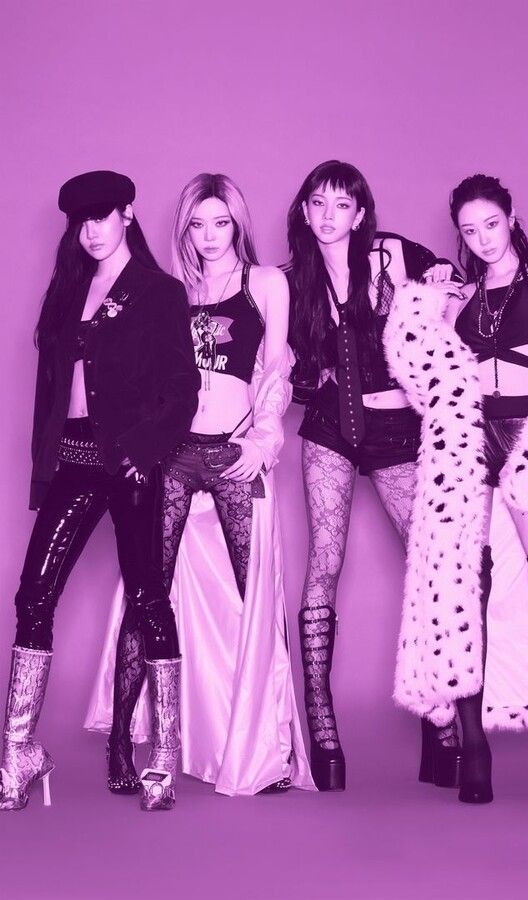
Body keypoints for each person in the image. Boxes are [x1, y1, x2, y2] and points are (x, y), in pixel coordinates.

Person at [86, 173, 314, 797]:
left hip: (233, 448)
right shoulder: (169, 290)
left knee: (257, 597)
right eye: (197, 224)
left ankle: (268, 750)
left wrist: (264, 440)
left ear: (237, 224)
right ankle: (121, 740)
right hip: (176, 454)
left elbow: (275, 369)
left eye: (221, 223)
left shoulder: (264, 284)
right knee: (147, 593)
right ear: (183, 228)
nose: (210, 236)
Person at [386, 173, 528, 805]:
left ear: (512, 217)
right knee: (466, 595)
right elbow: (421, 376)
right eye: (470, 230)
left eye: (491, 224)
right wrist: (424, 301)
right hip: (471, 445)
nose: (482, 239)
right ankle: (474, 751)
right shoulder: (460, 296)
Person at [0, 170, 199, 812]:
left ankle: (164, 752)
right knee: (34, 595)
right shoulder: (67, 291)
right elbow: (50, 394)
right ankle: (19, 752)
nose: (90, 230)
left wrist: (144, 451)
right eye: (80, 220)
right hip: (74, 459)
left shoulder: (158, 292)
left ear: (127, 215)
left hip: (131, 459)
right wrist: (44, 467)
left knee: (148, 597)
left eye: (102, 216)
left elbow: (183, 388)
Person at [287, 159, 463, 791]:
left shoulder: (393, 256)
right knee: (324, 562)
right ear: (304, 211)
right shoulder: (293, 281)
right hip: (331, 429)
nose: (328, 215)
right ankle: (323, 730)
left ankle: (442, 721)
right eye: (317, 203)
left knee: (430, 564)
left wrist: (443, 283)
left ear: (360, 214)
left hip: (396, 430)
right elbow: (284, 365)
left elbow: (458, 288)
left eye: (342, 204)